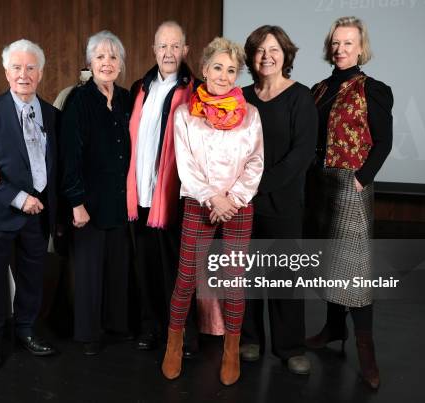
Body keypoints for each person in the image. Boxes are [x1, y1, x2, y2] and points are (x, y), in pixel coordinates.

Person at [161, 37, 264, 386]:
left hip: (238, 206)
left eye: (231, 70)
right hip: (199, 203)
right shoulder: (185, 115)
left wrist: (231, 198)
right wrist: (211, 198)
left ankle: (231, 350)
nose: (223, 75)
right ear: (204, 69)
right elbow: (185, 165)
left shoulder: (250, 115)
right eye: (217, 67)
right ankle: (173, 343)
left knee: (233, 283)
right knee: (187, 278)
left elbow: (255, 162)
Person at [305, 16, 393, 390]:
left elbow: (383, 142)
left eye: (348, 43)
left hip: (350, 182)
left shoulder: (373, 89)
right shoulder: (318, 89)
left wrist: (360, 179)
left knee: (353, 267)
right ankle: (333, 328)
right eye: (336, 43)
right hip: (318, 183)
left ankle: (365, 347)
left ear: (360, 48)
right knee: (329, 259)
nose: (340, 49)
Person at [0, 38, 60, 369]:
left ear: (41, 72)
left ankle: (26, 330)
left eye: (31, 68)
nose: (24, 74)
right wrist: (19, 199)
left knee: (33, 278)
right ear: (6, 72)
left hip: (39, 217)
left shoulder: (52, 114)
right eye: (17, 68)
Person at [238, 25, 317, 375]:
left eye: (273, 50)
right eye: (259, 51)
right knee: (248, 275)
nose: (267, 56)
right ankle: (250, 338)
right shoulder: (240, 97)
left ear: (286, 54)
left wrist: (255, 185)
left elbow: (301, 156)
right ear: (251, 57)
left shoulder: (300, 97)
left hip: (282, 201)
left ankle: (290, 347)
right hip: (244, 203)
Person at [127, 20, 199, 354]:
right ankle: (151, 327)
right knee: (146, 269)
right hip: (140, 194)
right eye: (162, 46)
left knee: (177, 271)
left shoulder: (196, 90)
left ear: (185, 51)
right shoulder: (139, 88)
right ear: (154, 50)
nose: (168, 53)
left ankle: (181, 333)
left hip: (173, 197)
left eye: (175, 46)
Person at [60, 30, 132, 356]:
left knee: (117, 267)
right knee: (88, 272)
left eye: (113, 57)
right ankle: (88, 334)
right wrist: (76, 202)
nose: (107, 63)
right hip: (87, 202)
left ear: (121, 63)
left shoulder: (127, 99)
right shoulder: (79, 100)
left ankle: (116, 325)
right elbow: (69, 156)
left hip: (120, 200)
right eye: (100, 57)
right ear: (90, 62)